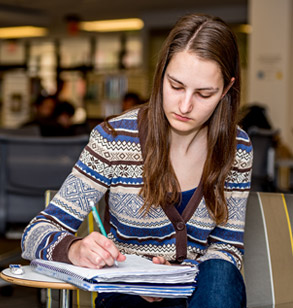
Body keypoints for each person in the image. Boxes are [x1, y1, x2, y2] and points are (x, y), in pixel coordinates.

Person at [21, 13, 252, 308]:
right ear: (162, 73)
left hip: (199, 289)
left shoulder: (237, 146)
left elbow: (227, 247)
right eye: (176, 86)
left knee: (221, 272)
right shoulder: (114, 138)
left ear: (226, 90)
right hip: (127, 292)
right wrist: (75, 248)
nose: (185, 106)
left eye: (204, 94)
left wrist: (178, 276)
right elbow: (34, 234)